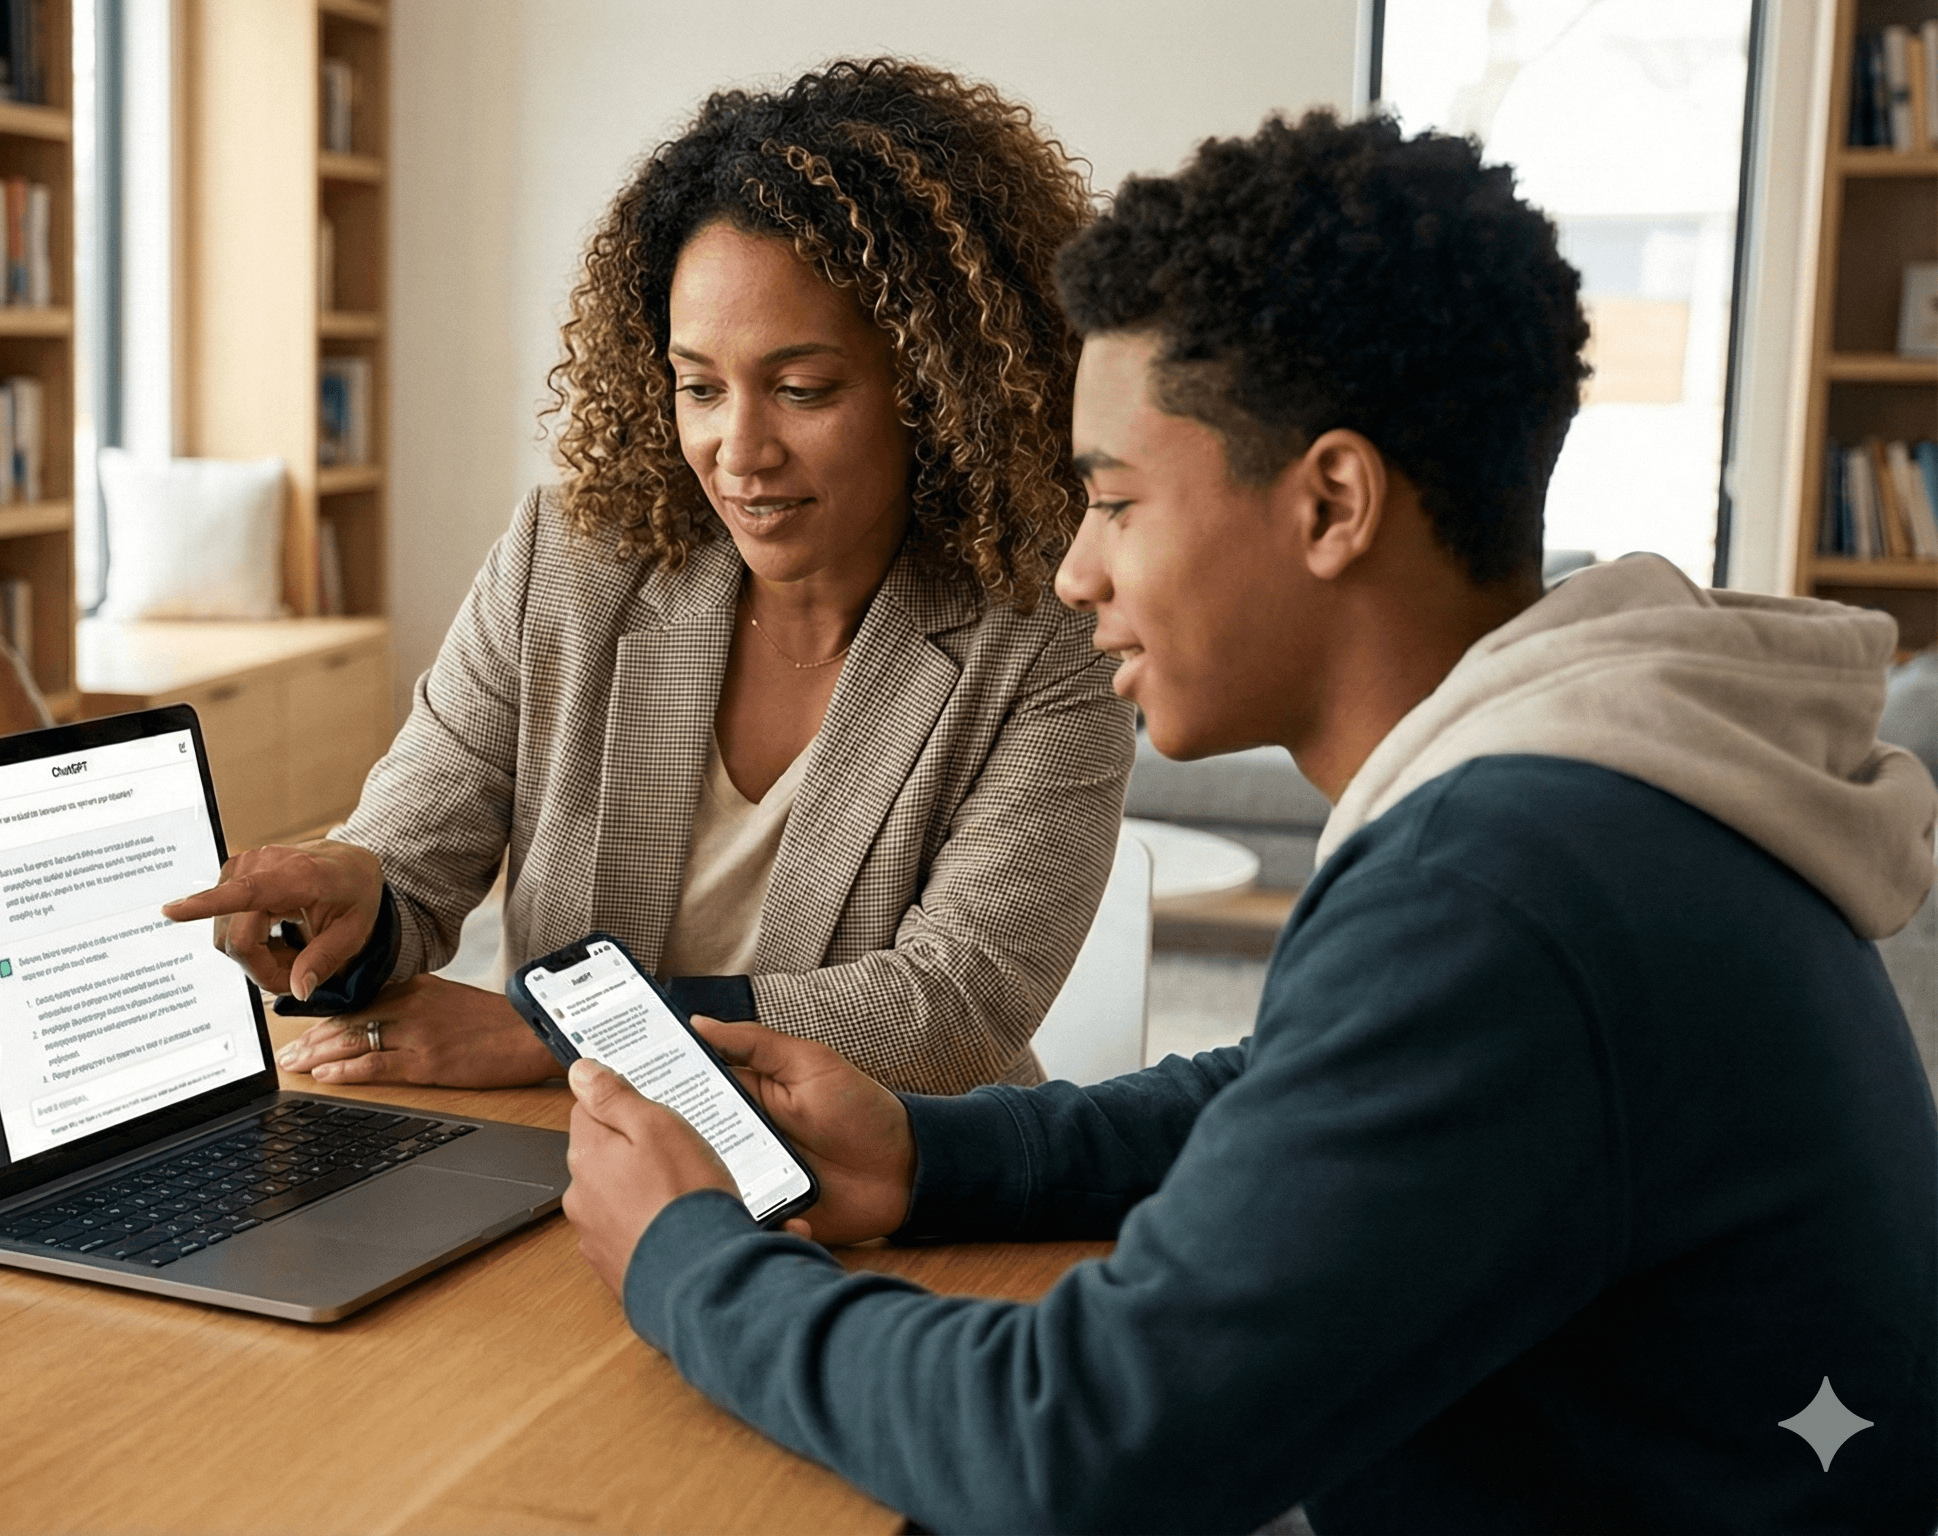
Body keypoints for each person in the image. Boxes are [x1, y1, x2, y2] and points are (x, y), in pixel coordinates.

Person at [557, 109, 1938, 1532]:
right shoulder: (1598, 797)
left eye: (1113, 502)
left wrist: (686, 1254)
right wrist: (930, 1152)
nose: (1078, 572)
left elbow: (1074, 1442)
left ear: (1332, 501)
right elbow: (1305, 1088)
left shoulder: (1507, 895)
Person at [165, 60, 1134, 1095]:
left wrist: (566, 1035)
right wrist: (354, 895)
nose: (738, 448)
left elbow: (954, 1007)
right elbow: (413, 847)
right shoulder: (568, 559)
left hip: (884, 1179)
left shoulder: (1050, 619)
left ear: (935, 386)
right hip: (579, 1158)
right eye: (697, 387)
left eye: (801, 389)